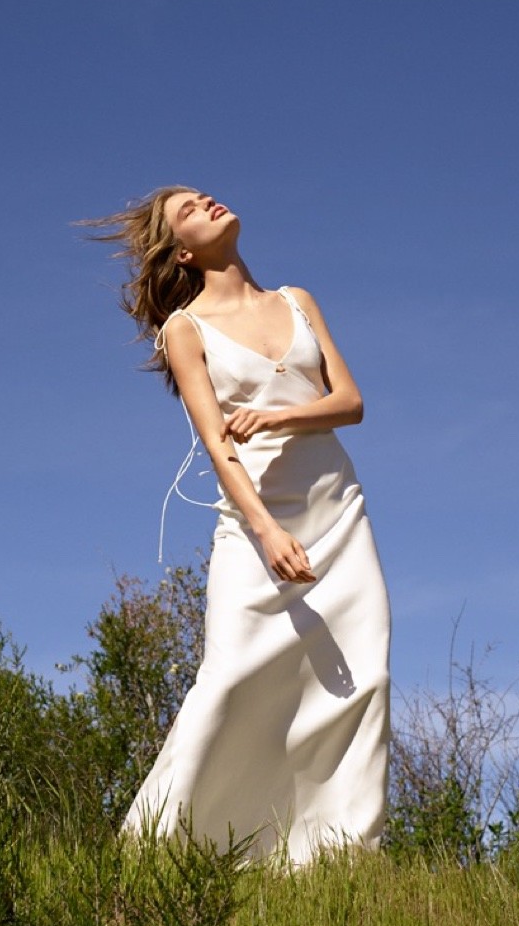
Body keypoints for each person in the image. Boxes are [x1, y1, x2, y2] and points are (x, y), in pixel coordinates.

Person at [88, 186, 390, 866]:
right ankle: (157, 854)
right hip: (256, 525)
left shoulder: (296, 300)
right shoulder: (184, 330)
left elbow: (350, 403)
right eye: (189, 209)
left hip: (338, 510)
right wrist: (267, 532)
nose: (208, 201)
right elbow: (218, 447)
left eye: (203, 194)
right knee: (229, 679)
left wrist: (278, 415)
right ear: (183, 250)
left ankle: (340, 857)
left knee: (362, 678)